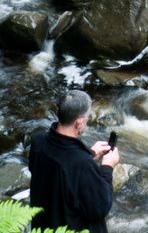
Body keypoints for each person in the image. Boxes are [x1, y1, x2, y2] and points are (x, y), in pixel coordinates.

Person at [28, 89, 119, 233]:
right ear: (79, 122)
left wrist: (89, 153)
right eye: (88, 116)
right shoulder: (81, 164)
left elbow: (59, 165)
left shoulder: (38, 141)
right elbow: (100, 208)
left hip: (44, 225)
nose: (88, 120)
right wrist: (107, 167)